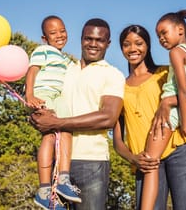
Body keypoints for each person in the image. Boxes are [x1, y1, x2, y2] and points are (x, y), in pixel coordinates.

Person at [113, 24, 186, 210]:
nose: (133, 49)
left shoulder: (165, 73)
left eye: (139, 43)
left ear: (147, 46)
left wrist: (169, 100)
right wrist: (133, 158)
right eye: (126, 44)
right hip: (146, 162)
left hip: (179, 150)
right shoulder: (118, 87)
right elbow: (118, 140)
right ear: (121, 48)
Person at [30, 18, 125, 210]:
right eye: (88, 38)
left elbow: (108, 117)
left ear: (108, 43)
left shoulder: (113, 74)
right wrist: (36, 115)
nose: (93, 44)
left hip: (91, 162)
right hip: (58, 162)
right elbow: (45, 97)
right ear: (81, 39)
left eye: (99, 40)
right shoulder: (65, 69)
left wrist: (56, 123)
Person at [139, 10, 186, 210]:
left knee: (150, 164)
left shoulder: (175, 53)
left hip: (172, 114)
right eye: (158, 36)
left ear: (180, 30)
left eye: (164, 33)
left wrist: (183, 125)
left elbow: (182, 91)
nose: (161, 39)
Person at [25, 15, 81, 209]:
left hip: (58, 98)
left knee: (66, 129)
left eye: (62, 31)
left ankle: (63, 179)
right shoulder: (43, 50)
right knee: (49, 136)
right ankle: (44, 190)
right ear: (44, 38)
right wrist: (29, 95)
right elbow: (32, 71)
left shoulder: (65, 59)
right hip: (43, 95)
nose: (59, 35)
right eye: (53, 33)